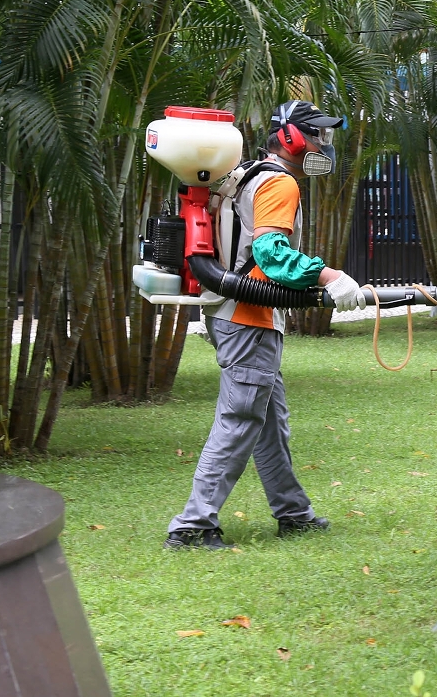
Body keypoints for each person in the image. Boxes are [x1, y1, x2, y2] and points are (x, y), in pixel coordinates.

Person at [166, 100, 364, 550]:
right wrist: (329, 276)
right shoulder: (279, 184)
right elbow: (272, 256)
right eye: (318, 135)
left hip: (234, 313)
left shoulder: (245, 175)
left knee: (270, 421)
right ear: (292, 136)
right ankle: (192, 525)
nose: (323, 145)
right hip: (247, 317)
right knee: (239, 419)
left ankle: (293, 513)